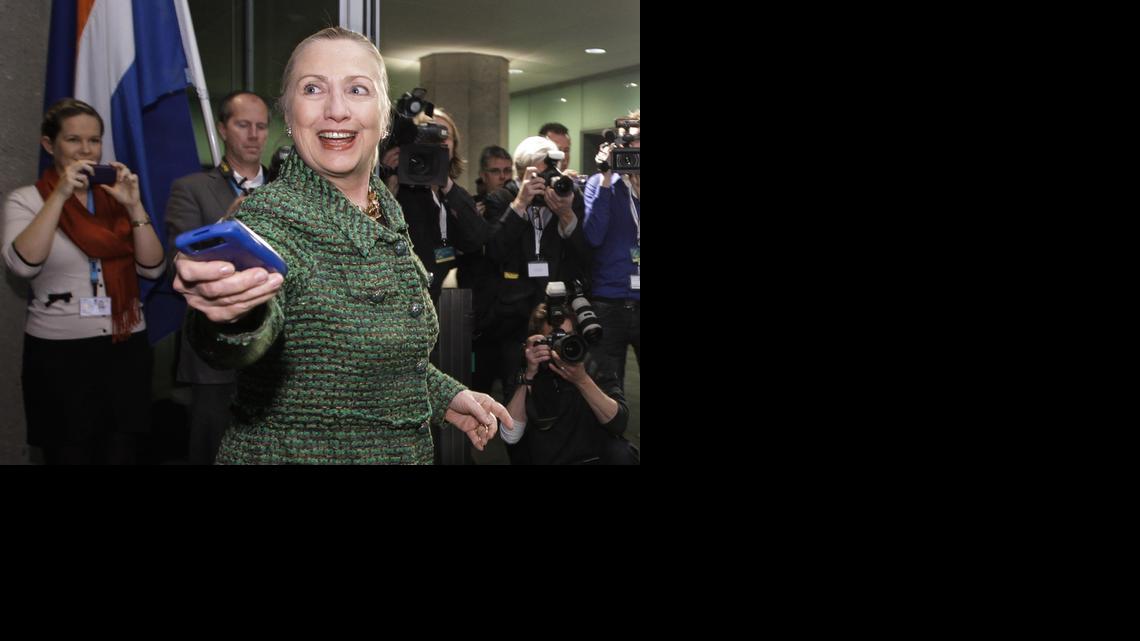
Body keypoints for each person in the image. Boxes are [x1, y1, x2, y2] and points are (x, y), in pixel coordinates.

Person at [172, 27, 510, 464]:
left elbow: (368, 360)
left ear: (384, 116)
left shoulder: (384, 207)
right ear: (289, 113)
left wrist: (446, 396)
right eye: (313, 89)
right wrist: (233, 316)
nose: (335, 110)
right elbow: (245, 335)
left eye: (357, 89)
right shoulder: (270, 219)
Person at [2, 98, 166, 464]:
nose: (86, 150)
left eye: (93, 140)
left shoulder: (115, 198)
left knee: (123, 452)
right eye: (74, 140)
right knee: (67, 453)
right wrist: (59, 195)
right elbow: (23, 265)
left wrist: (134, 206)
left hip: (125, 347)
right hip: (60, 354)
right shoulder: (27, 200)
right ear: (49, 145)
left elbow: (153, 269)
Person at [165, 90, 271, 465]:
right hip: (215, 350)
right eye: (243, 125)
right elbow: (176, 265)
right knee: (211, 448)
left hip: (279, 351)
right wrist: (228, 223)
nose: (254, 135)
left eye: (261, 126)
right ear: (223, 129)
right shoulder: (192, 188)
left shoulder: (289, 190)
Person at [500, 299, 637, 465]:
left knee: (622, 453)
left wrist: (582, 380)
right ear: (538, 341)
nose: (564, 343)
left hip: (594, 457)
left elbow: (618, 424)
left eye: (569, 336)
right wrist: (528, 376)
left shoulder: (593, 362)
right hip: (549, 459)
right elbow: (510, 436)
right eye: (554, 338)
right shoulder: (528, 367)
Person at [379, 107, 487, 307]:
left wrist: (445, 182)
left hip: (444, 301)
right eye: (430, 135)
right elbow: (376, 230)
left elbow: (476, 239)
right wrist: (387, 177)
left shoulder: (454, 193)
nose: (438, 142)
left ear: (454, 145)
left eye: (445, 136)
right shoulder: (401, 188)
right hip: (405, 299)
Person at [583, 110, 640, 390]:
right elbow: (593, 236)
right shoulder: (600, 184)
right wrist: (606, 176)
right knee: (609, 387)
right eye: (630, 143)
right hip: (609, 302)